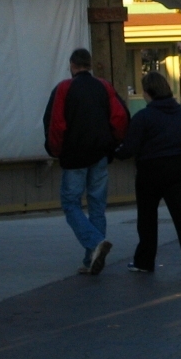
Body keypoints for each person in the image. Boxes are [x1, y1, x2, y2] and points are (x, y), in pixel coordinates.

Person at [44, 48, 129, 275]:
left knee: (71, 203)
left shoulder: (64, 88)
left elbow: (56, 124)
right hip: (100, 152)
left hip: (74, 155)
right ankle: (92, 258)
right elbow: (120, 117)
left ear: (72, 65)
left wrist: (55, 150)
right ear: (90, 65)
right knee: (97, 205)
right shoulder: (104, 87)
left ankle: (94, 243)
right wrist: (114, 143)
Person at [115, 72, 181, 275]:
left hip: (151, 168)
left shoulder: (143, 117)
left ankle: (145, 261)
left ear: (148, 93)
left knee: (147, 216)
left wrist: (115, 152)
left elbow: (130, 147)